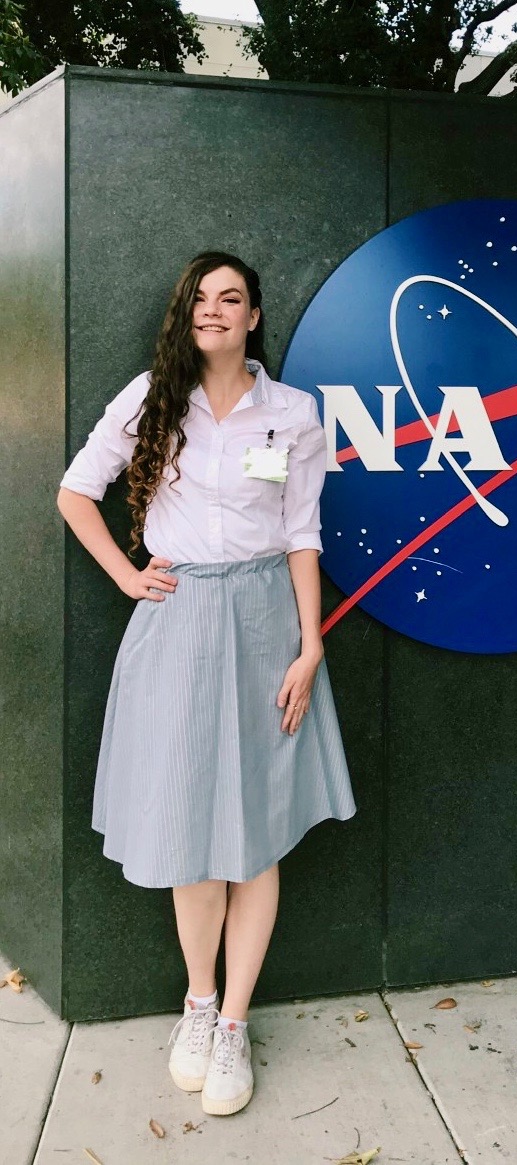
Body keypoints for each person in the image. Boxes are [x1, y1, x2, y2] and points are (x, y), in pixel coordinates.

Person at [56, 250, 357, 1117]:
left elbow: (303, 532)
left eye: (231, 298)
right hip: (180, 620)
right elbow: (78, 491)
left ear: (255, 316)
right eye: (200, 297)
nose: (214, 309)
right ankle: (196, 1001)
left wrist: (309, 646)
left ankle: (234, 1021)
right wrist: (124, 575)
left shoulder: (294, 411)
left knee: (254, 830)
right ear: (185, 312)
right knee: (193, 824)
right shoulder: (150, 396)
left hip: (267, 623)